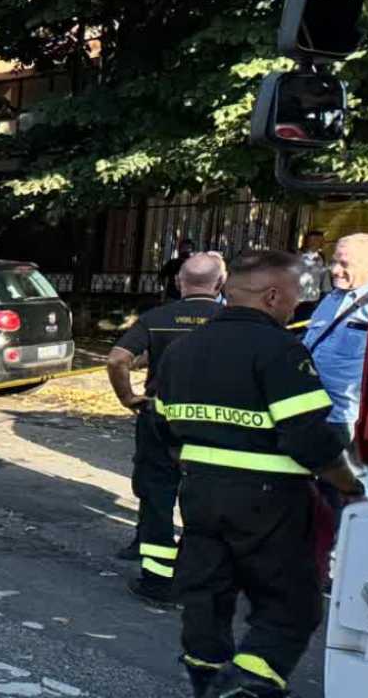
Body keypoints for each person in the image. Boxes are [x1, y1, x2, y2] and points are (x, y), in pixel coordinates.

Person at [154, 251, 365, 697]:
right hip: (271, 501)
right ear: (272, 296)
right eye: (294, 296)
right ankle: (248, 683)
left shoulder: (181, 350)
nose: (297, 306)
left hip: (200, 495)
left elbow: (163, 428)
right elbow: (308, 438)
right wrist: (350, 486)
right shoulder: (281, 350)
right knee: (291, 604)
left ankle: (207, 680)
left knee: (206, 596)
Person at [107, 253, 226, 606]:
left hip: (161, 419)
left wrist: (128, 397)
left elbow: (117, 358)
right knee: (206, 501)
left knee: (158, 498)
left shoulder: (157, 318)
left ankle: (158, 581)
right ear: (220, 284)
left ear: (179, 282)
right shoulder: (232, 322)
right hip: (216, 425)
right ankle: (197, 577)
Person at [302, 233, 368, 445]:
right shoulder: (332, 297)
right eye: (333, 262)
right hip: (313, 411)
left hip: (348, 419)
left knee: (355, 478)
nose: (334, 270)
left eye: (344, 264)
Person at [293, 230, 331, 324]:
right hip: (295, 300)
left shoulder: (321, 258)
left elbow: (325, 279)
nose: (320, 244)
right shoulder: (295, 257)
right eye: (316, 240)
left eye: (321, 241)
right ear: (308, 241)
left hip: (311, 301)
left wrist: (326, 296)